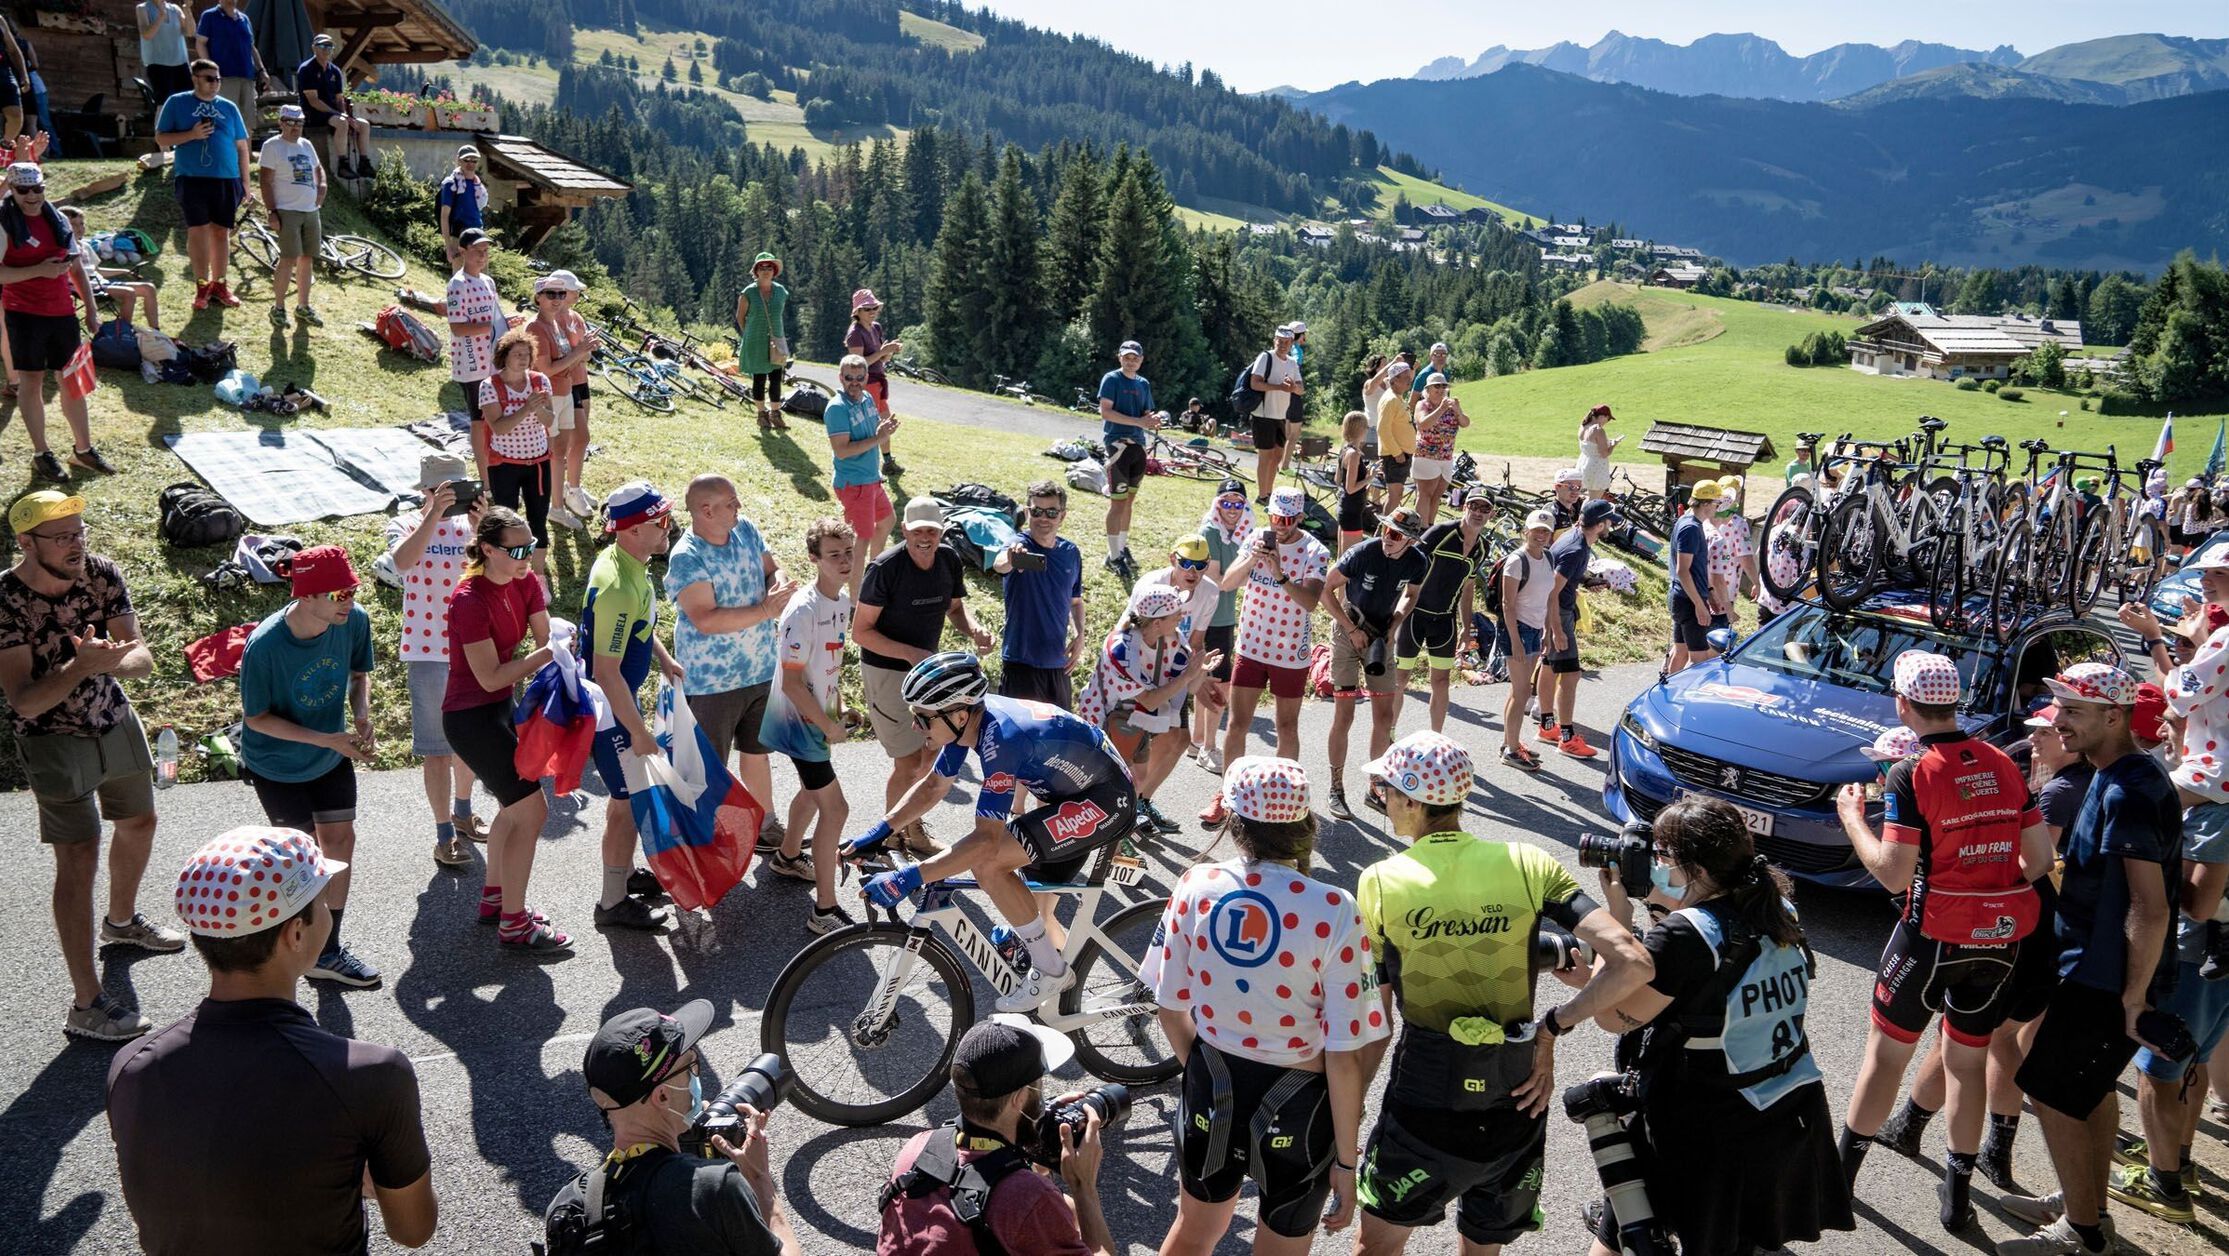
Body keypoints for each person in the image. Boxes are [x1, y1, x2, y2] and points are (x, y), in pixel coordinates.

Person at [1352, 732, 1654, 1253]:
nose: (1383, 800)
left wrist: (1347, 1114)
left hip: (1425, 1098)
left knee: (1377, 1246)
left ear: (1409, 799)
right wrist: (1554, 1028)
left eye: (1384, 790)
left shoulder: (1381, 881)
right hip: (1517, 1097)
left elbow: (1373, 1024)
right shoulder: (1527, 862)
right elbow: (1633, 960)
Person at [108, 827, 437, 1254]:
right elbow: (413, 1230)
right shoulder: (371, 1075)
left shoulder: (132, 1065)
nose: (328, 912)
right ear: (295, 934)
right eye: (321, 902)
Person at [1576, 798, 1856, 1256]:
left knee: (1625, 1228)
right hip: (1779, 1107)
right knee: (1733, 1239)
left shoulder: (1687, 935)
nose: (1654, 863)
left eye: (1662, 855)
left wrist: (1619, 928)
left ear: (1695, 867)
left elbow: (1609, 1015)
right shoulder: (1777, 904)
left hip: (1703, 1122)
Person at [1831, 650, 2051, 1231]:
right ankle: (1956, 1200)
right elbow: (2041, 860)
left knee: (1885, 1060)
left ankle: (1838, 1182)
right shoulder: (2004, 762)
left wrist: (1853, 817)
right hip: (1999, 940)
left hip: (1928, 938)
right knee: (1967, 1063)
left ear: (1904, 705)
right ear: (1956, 703)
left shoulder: (1912, 771)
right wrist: (1987, 879)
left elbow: (1894, 874)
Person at [1143, 757, 1382, 1253]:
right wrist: (1345, 1159)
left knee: (1192, 1233)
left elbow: (1169, 1006)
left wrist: (1204, 1072)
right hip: (1301, 1101)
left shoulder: (1196, 884)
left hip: (1213, 1078)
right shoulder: (1334, 907)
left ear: (1233, 819)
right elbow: (1344, 1053)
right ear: (1305, 822)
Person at [2000, 663, 2179, 1256]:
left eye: (2074, 711)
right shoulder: (2114, 770)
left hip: (2105, 979)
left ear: (2115, 715)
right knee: (2085, 1087)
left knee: (2050, 1091)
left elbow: (2150, 909)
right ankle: (2086, 1203)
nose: (2059, 721)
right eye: (2059, 709)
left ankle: (2084, 1236)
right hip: (2084, 965)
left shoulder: (2129, 790)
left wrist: (2133, 999)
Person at [855, 652, 1136, 1014]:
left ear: (957, 714)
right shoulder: (969, 720)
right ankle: (1064, 994)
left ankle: (1051, 972)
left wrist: (908, 878)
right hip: (1071, 795)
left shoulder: (1002, 739)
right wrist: (880, 830)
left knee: (989, 864)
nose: (915, 727)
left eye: (921, 717)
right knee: (1035, 911)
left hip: (1104, 800)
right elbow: (934, 786)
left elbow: (986, 841)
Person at [1884, 702, 2084, 1193]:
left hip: (2015, 926)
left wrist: (1971, 862)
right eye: (2035, 728)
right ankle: (1993, 1148)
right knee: (2000, 1040)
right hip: (2051, 933)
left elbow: (2031, 863)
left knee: (1965, 1040)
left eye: (2050, 731)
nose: (2035, 738)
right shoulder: (2083, 783)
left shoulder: (2057, 794)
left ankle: (1913, 1127)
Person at [0, 490, 176, 1040]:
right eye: (62, 537)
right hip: (52, 739)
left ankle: (120, 924)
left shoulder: (101, 573)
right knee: (78, 857)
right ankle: (86, 1002)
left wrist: (111, 664)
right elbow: (25, 701)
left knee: (140, 822)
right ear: (26, 544)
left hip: (113, 718)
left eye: (79, 532)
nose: (76, 545)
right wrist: (81, 666)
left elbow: (141, 656)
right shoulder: (6, 600)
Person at [2105, 605, 2229, 1222]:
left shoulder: (2213, 802)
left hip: (2194, 953)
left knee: (2160, 1067)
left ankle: (2165, 1187)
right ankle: (2177, 1158)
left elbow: (2203, 898)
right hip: (2209, 956)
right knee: (2197, 1062)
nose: (2172, 727)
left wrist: (2151, 879)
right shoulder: (2206, 781)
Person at [546, 999, 801, 1255]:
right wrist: (760, 1179)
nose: (695, 1077)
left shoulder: (570, 1205)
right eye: (691, 1066)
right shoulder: (715, 1189)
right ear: (663, 1097)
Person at [238, 544, 382, 989]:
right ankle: (294, 945)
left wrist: (361, 715)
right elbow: (256, 718)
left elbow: (359, 676)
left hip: (331, 753)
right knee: (301, 858)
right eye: (339, 594)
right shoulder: (264, 646)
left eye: (352, 592)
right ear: (306, 596)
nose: (350, 603)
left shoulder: (352, 621)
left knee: (339, 842)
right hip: (277, 765)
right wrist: (327, 739)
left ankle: (328, 950)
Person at [877, 1021, 1113, 1255]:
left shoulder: (918, 1148)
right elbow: (1027, 1208)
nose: (1043, 1097)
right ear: (1019, 1098)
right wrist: (1084, 1188)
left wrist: (1032, 1153)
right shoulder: (1029, 1198)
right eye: (1038, 1087)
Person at [442, 507, 562, 951]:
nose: (526, 556)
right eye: (516, 550)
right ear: (488, 549)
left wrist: (553, 649)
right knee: (532, 813)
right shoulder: (468, 600)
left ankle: (496, 900)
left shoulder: (525, 579)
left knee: (514, 810)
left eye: (530, 546)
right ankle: (514, 922)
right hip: (470, 720)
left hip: (501, 711)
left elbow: (543, 636)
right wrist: (550, 654)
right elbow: (491, 675)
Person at [665, 473, 796, 860]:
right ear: (706, 510)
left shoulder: (746, 530)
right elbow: (704, 618)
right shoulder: (687, 556)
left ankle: (765, 825)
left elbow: (775, 568)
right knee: (707, 766)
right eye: (731, 502)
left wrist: (780, 586)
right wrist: (764, 610)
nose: (739, 507)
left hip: (759, 669)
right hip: (711, 682)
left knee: (757, 752)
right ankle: (697, 839)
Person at [854, 497, 989, 856]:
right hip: (887, 672)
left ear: (941, 532)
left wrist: (974, 629)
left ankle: (911, 831)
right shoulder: (884, 568)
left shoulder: (947, 560)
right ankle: (889, 837)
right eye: (918, 531)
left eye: (932, 530)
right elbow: (861, 632)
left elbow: (955, 609)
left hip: (928, 675)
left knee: (930, 753)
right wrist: (911, 653)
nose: (925, 537)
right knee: (908, 762)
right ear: (905, 531)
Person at [582, 482, 684, 933]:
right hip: (610, 713)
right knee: (626, 805)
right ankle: (611, 902)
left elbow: (637, 625)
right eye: (661, 521)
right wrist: (638, 731)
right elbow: (607, 671)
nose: (669, 527)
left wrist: (663, 658)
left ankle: (620, 875)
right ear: (636, 529)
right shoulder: (620, 586)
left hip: (617, 703)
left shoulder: (626, 562)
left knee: (627, 801)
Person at [386, 457, 487, 869]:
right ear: (425, 491)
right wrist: (432, 516)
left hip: (474, 649)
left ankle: (463, 811)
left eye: (456, 490)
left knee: (471, 742)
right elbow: (402, 562)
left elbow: (498, 574)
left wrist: (483, 530)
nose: (451, 498)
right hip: (427, 651)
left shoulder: (473, 525)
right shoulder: (408, 523)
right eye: (442, 490)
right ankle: (443, 832)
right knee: (436, 750)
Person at [1204, 485, 1328, 821]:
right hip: (1252, 646)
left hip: (1290, 653)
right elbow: (1227, 584)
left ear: (1300, 518)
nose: (1280, 525)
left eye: (1287, 519)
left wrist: (1281, 574)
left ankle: (1284, 798)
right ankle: (1228, 796)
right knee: (1237, 723)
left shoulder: (1315, 550)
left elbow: (1311, 602)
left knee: (1287, 727)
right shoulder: (1257, 537)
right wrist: (1250, 559)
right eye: (1275, 517)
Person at [759, 516, 857, 933]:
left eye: (848, 552)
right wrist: (827, 725)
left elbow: (825, 664)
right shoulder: (803, 609)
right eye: (834, 555)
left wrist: (838, 707)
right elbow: (794, 683)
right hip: (800, 721)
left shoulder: (839, 600)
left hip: (818, 717)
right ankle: (824, 910)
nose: (844, 560)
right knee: (836, 809)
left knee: (811, 793)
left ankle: (786, 858)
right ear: (814, 559)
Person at [1075, 583, 1215, 839]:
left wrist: (1201, 671)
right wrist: (1188, 676)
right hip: (1105, 718)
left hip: (1135, 719)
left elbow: (1189, 685)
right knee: (1110, 784)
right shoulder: (1119, 649)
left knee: (1135, 782)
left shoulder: (1173, 640)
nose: (1182, 616)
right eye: (1176, 613)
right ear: (1157, 622)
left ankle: (1121, 829)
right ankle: (1108, 839)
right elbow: (1149, 700)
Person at [0, 161, 105, 483]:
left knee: (71, 381)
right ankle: (41, 453)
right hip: (23, 314)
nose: (32, 196)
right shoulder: (3, 223)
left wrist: (90, 308)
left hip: (62, 313)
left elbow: (75, 268)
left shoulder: (57, 218)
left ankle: (83, 450)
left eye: (38, 189)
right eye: (23, 190)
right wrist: (38, 271)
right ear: (11, 189)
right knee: (31, 383)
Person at [1320, 507, 1423, 819]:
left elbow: (1411, 594)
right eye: (1385, 530)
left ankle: (1375, 785)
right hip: (1347, 630)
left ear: (1411, 541)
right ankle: (1336, 787)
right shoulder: (1362, 553)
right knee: (1345, 714)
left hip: (1380, 636)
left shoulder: (1419, 561)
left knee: (1384, 715)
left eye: (1395, 534)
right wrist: (1351, 629)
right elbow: (1326, 589)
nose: (1386, 538)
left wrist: (1396, 622)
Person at [1396, 486, 1491, 739]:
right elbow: (1409, 564)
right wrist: (1396, 611)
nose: (1478, 513)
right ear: (1464, 507)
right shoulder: (1441, 533)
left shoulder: (1483, 548)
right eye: (1474, 506)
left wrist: (1465, 626)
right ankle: (1388, 734)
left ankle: (1435, 740)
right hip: (1415, 615)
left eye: (1485, 509)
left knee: (1441, 682)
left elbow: (1468, 587)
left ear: (1491, 514)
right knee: (1400, 678)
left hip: (1444, 621)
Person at [153, 60, 247, 312]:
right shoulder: (177, 102)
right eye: (209, 79)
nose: (215, 84)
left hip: (227, 178)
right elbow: (161, 137)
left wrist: (245, 183)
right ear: (195, 78)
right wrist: (191, 135)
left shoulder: (228, 107)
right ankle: (202, 285)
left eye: (218, 79)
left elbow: (242, 147)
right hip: (192, 177)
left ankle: (220, 285)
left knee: (221, 232)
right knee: (198, 230)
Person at [995, 479, 1086, 706]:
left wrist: (1080, 634)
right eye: (1036, 511)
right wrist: (1011, 558)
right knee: (1022, 739)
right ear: (1027, 513)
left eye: (1051, 512)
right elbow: (999, 564)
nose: (1043, 518)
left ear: (1062, 516)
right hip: (1021, 663)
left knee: (1059, 738)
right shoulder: (1018, 544)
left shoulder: (1070, 552)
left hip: (1058, 665)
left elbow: (1075, 601)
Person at [1540, 500, 1619, 758]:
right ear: (1599, 525)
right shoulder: (1576, 548)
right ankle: (1567, 738)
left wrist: (1586, 580)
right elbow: (1552, 590)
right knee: (1571, 676)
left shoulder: (1573, 537)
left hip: (1555, 611)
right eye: (1608, 521)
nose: (1610, 525)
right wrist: (1556, 630)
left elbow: (1563, 572)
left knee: (1549, 666)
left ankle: (1546, 726)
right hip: (1558, 614)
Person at [478, 326, 555, 581]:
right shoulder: (490, 386)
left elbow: (549, 419)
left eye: (526, 354)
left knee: (538, 518)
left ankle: (539, 575)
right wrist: (525, 408)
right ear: (504, 356)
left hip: (538, 462)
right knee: (506, 522)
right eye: (517, 354)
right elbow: (498, 427)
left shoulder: (540, 381)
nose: (523, 358)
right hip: (504, 465)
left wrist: (539, 408)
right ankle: (505, 571)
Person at [825, 352, 901, 603]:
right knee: (861, 540)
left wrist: (881, 430)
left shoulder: (868, 397)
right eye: (849, 378)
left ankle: (871, 575)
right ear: (841, 377)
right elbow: (842, 451)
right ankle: (856, 600)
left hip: (871, 479)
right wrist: (879, 439)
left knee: (888, 521)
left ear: (867, 376)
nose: (854, 382)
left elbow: (870, 433)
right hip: (855, 484)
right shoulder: (837, 408)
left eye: (860, 377)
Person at [524, 270, 597, 529]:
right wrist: (579, 351)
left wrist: (582, 351)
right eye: (550, 294)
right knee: (554, 452)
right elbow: (545, 369)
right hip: (550, 395)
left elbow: (571, 359)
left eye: (560, 294)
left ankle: (558, 506)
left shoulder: (558, 323)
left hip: (566, 391)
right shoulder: (535, 326)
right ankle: (553, 506)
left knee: (560, 453)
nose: (557, 299)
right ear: (538, 297)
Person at [1190, 481, 1249, 774]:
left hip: (1223, 618)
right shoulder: (1210, 532)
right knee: (1218, 685)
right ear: (1217, 505)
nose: (1232, 509)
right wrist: (1250, 568)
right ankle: (1208, 748)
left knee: (1207, 680)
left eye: (1238, 504)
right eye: (1226, 502)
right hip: (1209, 618)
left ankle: (1198, 740)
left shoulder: (1237, 534)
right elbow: (1219, 581)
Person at [1096, 339, 1161, 578]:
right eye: (1127, 356)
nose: (1131, 360)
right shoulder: (1111, 379)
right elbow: (1106, 411)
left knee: (1129, 501)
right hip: (1117, 445)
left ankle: (1121, 548)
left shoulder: (1143, 384)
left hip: (1138, 446)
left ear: (1142, 360)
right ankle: (1113, 557)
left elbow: (1145, 412)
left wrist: (1152, 420)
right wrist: (1139, 422)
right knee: (1117, 503)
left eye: (1135, 357)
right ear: (1120, 357)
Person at [256, 104, 325, 330]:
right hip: (287, 210)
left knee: (307, 259)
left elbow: (318, 169)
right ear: (281, 123)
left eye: (299, 122)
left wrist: (322, 186)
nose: (295, 127)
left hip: (310, 211)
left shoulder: (306, 144)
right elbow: (265, 181)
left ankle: (303, 306)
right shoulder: (272, 146)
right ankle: (278, 308)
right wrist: (272, 211)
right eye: (290, 122)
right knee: (287, 259)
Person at [1499, 509, 1556, 773]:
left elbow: (1547, 597)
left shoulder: (1549, 557)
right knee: (1521, 692)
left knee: (1518, 691)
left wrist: (1547, 629)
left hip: (1534, 628)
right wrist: (1516, 641)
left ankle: (1509, 743)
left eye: (1545, 531)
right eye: (1536, 530)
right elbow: (1507, 604)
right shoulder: (1516, 560)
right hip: (1517, 629)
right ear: (1526, 532)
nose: (1541, 535)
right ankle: (1511, 751)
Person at [448, 228, 503, 474]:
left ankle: (497, 467)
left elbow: (495, 317)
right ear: (463, 251)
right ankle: (485, 478)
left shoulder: (488, 281)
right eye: (476, 251)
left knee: (494, 416)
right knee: (479, 420)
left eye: (485, 251)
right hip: (470, 362)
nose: (482, 256)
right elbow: (458, 328)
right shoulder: (458, 284)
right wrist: (490, 326)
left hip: (493, 359)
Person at [60, 204, 161, 332]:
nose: (79, 228)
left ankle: (156, 331)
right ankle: (123, 334)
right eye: (73, 224)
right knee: (128, 293)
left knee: (149, 288)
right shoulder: (62, 249)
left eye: (82, 224)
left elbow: (98, 270)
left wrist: (124, 271)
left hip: (100, 283)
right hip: (85, 287)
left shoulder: (85, 245)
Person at [844, 288, 905, 476]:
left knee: (885, 420)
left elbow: (881, 360)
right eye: (867, 308)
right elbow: (857, 365)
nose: (872, 311)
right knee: (872, 425)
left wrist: (889, 351)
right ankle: (870, 464)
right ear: (857, 312)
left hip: (878, 381)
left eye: (874, 307)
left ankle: (887, 462)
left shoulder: (876, 327)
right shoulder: (855, 333)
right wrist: (881, 352)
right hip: (865, 383)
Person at [295, 33, 373, 179]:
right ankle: (343, 165)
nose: (326, 50)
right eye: (323, 46)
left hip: (333, 114)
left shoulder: (335, 71)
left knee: (364, 124)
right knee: (342, 123)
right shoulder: (307, 69)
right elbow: (314, 101)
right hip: (312, 113)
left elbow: (339, 99)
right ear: (314, 48)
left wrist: (346, 114)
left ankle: (364, 163)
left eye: (330, 46)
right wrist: (339, 115)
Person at [1667, 478, 1720, 675]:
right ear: (1706, 504)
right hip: (1689, 600)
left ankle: (1667, 690)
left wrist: (1709, 593)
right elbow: (1683, 570)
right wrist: (1699, 604)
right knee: (1699, 660)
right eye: (1716, 503)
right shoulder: (1691, 529)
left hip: (1682, 597)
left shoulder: (1686, 521)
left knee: (1680, 651)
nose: (1718, 507)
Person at [1246, 324, 1303, 503]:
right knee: (1265, 456)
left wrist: (1293, 387)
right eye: (1280, 341)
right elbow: (1255, 383)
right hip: (1263, 414)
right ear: (1274, 341)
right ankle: (1262, 495)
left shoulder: (1293, 363)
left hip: (1280, 415)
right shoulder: (1265, 357)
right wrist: (1279, 387)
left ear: (1291, 343)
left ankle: (1269, 493)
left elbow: (1301, 389)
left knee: (1277, 455)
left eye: (1287, 342)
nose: (1283, 345)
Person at [735, 251, 789, 432]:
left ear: (774, 271)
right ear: (756, 271)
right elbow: (740, 317)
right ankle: (762, 414)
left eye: (769, 267)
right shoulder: (748, 292)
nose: (766, 270)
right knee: (759, 379)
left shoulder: (781, 292)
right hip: (755, 342)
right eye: (762, 267)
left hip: (776, 341)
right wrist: (749, 334)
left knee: (775, 379)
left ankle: (776, 414)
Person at [1409, 373, 1470, 526]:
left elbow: (1465, 423)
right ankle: (1420, 528)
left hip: (1446, 458)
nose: (1441, 389)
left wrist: (1458, 411)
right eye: (1437, 386)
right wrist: (1441, 409)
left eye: (1444, 386)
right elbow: (1423, 424)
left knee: (1437, 496)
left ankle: (1429, 527)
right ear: (1427, 390)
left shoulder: (1451, 405)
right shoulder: (1422, 405)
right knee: (1425, 494)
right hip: (1426, 456)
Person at [191, 0, 264, 119]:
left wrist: (262, 70)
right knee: (225, 119)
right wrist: (211, 71)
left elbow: (251, 47)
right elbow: (200, 44)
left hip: (247, 78)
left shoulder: (244, 19)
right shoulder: (209, 16)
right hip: (224, 78)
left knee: (249, 122)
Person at [1705, 475, 1755, 627]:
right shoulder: (1738, 524)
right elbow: (1746, 558)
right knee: (1715, 641)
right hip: (1723, 591)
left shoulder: (1703, 519)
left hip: (1700, 589)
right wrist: (1756, 582)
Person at [1374, 360, 1415, 519]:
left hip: (1401, 454)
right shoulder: (1390, 400)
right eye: (1404, 377)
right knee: (1395, 495)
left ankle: (1388, 528)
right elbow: (1382, 429)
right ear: (1394, 380)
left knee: (1396, 495)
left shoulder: (1397, 397)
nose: (1408, 380)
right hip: (1395, 456)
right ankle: (1385, 529)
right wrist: (1397, 452)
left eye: (1409, 377)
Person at [437, 146, 487, 266]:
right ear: (458, 160)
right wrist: (448, 247)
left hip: (478, 235)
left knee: (480, 279)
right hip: (459, 237)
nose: (470, 163)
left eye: (474, 160)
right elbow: (444, 216)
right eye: (467, 160)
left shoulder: (478, 185)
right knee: (461, 279)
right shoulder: (451, 184)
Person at [136, 0, 193, 103]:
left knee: (188, 102)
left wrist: (187, 9)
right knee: (164, 104)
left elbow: (190, 32)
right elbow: (147, 35)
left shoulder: (175, 9)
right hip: (158, 66)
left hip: (181, 64)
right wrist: (161, 16)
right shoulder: (143, 8)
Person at [1334, 410, 1371, 552]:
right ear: (1360, 429)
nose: (1368, 430)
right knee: (1349, 560)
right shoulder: (1354, 454)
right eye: (1366, 427)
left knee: (1341, 558)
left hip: (1344, 507)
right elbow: (1351, 488)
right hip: (1352, 510)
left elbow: (1337, 480)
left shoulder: (1344, 450)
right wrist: (1369, 478)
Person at [1576, 404, 1619, 499]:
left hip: (1584, 462)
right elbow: (1604, 454)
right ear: (1602, 416)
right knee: (1594, 499)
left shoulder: (1583, 426)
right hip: (1596, 466)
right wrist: (1613, 445)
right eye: (1608, 418)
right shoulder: (1598, 430)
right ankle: (1584, 514)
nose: (1607, 422)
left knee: (1588, 497)